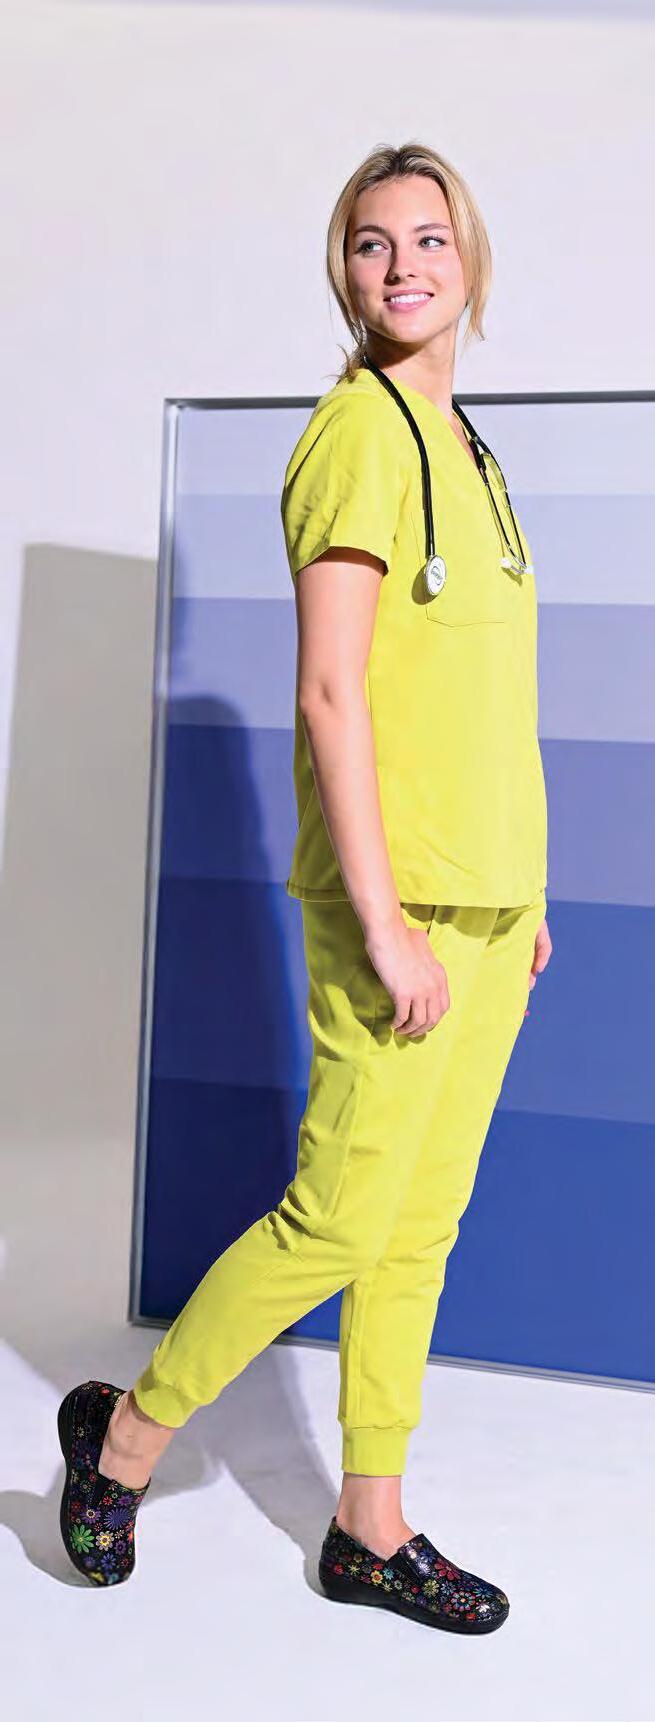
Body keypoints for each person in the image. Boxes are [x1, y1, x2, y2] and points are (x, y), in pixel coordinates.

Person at [57, 140, 552, 1626]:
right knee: (337, 1219)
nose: (402, 265)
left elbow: (482, 695)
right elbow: (332, 691)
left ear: (471, 258)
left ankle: (367, 1525)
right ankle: (124, 1440)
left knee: (419, 1227)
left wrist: (525, 898)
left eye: (428, 237)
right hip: (398, 909)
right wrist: (387, 920)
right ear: (342, 272)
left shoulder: (472, 450)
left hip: (494, 906)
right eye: (370, 243)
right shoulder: (356, 434)